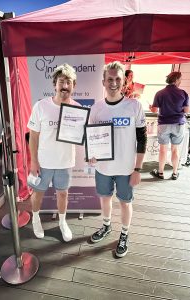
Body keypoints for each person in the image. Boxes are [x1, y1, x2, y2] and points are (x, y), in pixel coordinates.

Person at [89, 61, 147, 258]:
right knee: (105, 199)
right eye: (110, 79)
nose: (113, 83)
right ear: (103, 81)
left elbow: (142, 139)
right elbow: (93, 137)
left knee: (124, 202)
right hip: (103, 167)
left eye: (118, 79)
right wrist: (91, 154)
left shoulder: (134, 106)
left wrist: (138, 169)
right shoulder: (96, 108)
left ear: (124, 82)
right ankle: (106, 226)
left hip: (126, 168)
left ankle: (124, 233)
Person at [27, 63, 79, 242]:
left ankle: (63, 222)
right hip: (44, 162)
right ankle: (35, 219)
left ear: (74, 85)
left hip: (65, 161)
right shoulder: (41, 106)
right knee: (38, 193)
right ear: (54, 84)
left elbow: (83, 135)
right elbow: (33, 137)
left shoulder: (78, 109)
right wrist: (34, 162)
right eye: (61, 81)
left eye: (69, 82)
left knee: (63, 193)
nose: (65, 86)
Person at [149, 71, 189, 180]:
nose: (180, 81)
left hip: (164, 124)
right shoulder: (183, 93)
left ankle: (160, 173)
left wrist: (150, 107)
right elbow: (187, 110)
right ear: (176, 80)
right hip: (178, 124)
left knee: (163, 149)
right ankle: (175, 173)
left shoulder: (160, 93)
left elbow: (154, 110)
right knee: (175, 149)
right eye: (180, 79)